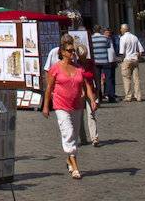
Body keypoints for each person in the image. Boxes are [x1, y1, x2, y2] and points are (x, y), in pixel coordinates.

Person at [42, 36, 96, 179]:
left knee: (75, 133)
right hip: (60, 105)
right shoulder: (55, 68)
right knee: (68, 132)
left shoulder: (78, 68)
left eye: (74, 51)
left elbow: (87, 85)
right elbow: (49, 88)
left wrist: (92, 100)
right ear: (62, 52)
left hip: (77, 105)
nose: (72, 53)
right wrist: (46, 106)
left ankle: (69, 159)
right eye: (69, 51)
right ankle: (75, 167)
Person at [118, 24, 145, 101]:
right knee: (136, 79)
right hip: (135, 60)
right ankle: (138, 96)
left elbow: (122, 52)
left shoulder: (123, 38)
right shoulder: (134, 37)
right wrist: (138, 57)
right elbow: (141, 50)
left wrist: (121, 60)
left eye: (121, 29)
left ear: (124, 29)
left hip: (127, 59)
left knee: (126, 78)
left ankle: (129, 96)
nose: (120, 30)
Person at [90, 26, 113, 103]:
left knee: (97, 80)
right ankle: (110, 96)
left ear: (93, 30)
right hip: (105, 60)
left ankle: (99, 97)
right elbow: (108, 46)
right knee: (108, 79)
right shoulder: (105, 38)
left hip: (96, 61)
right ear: (100, 30)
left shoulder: (91, 39)